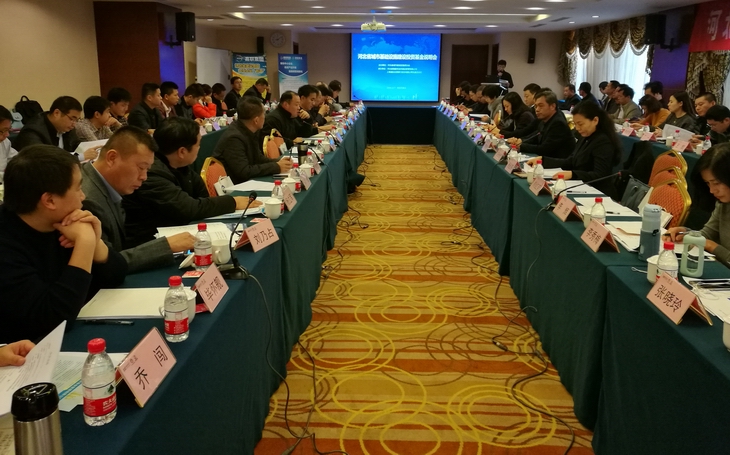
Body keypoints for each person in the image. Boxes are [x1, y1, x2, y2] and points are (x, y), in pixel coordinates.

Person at [0, 145, 127, 343]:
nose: (83, 196)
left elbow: (117, 274)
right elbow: (53, 319)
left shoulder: (70, 219)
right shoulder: (6, 245)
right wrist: (85, 243)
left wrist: (96, 244)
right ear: (50, 200)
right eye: (78, 188)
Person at [122, 117, 255, 246]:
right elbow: (189, 208)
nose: (199, 148)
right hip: (151, 244)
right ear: (182, 152)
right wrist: (233, 202)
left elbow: (202, 196)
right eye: (198, 144)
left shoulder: (179, 165)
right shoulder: (151, 174)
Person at [81, 126, 195, 273]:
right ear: (112, 158)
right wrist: (165, 246)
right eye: (141, 167)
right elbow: (107, 264)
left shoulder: (107, 184)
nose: (144, 177)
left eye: (147, 169)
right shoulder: (86, 199)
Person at [526, 101, 622, 198]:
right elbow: (571, 161)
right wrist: (543, 160)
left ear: (595, 120)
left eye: (580, 124)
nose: (577, 128)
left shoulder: (603, 142)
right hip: (581, 186)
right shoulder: (585, 137)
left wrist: (573, 174)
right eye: (575, 124)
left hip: (599, 193)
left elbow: (600, 175)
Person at [665, 143, 730, 268]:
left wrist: (711, 246)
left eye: (716, 183)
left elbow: (708, 242)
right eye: (708, 183)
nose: (712, 190)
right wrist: (685, 233)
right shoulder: (724, 204)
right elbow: (707, 234)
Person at [213, 97, 293, 184]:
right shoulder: (234, 138)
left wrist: (279, 162)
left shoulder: (249, 130)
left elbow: (258, 158)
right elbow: (244, 172)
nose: (265, 117)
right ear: (256, 120)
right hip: (235, 185)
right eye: (264, 114)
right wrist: (276, 167)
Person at [507, 90, 574, 159]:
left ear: (552, 106)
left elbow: (544, 149)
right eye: (536, 106)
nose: (537, 109)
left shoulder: (558, 123)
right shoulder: (545, 119)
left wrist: (521, 146)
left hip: (557, 162)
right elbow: (536, 136)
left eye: (541, 106)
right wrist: (519, 141)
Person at [14, 96, 82, 156]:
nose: (74, 124)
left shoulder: (67, 128)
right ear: (56, 113)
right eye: (72, 119)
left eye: (76, 120)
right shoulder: (32, 131)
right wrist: (79, 157)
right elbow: (42, 159)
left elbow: (76, 145)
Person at [0, 106, 18, 173]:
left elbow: (17, 159)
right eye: (3, 131)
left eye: (8, 130)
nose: (7, 135)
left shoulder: (5, 142)